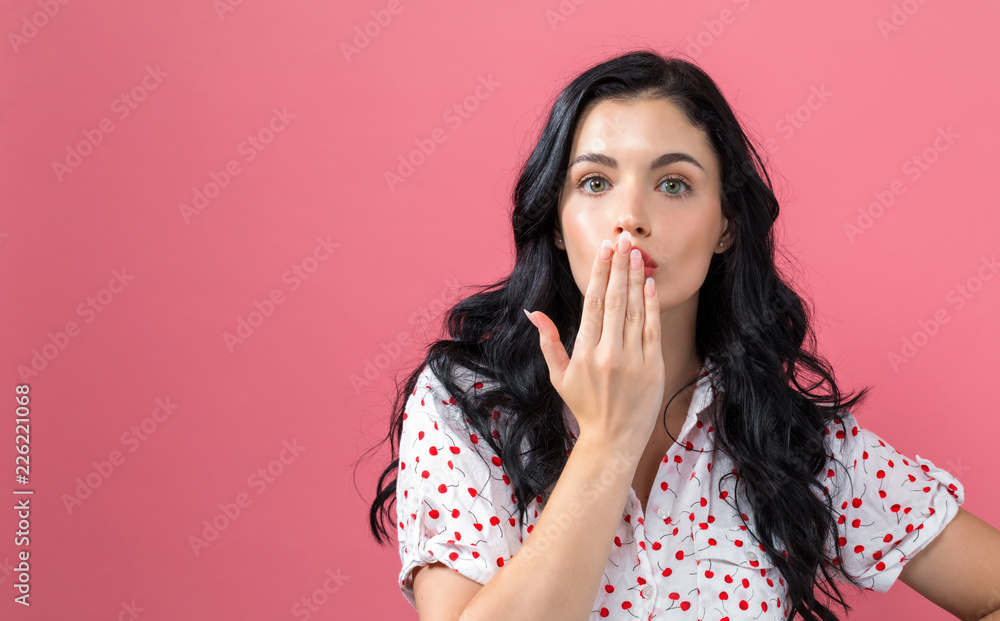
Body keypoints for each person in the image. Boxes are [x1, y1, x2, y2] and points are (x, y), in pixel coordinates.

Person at [363, 49, 1000, 621]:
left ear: (725, 226)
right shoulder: (468, 406)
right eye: (595, 182)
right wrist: (610, 440)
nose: (631, 218)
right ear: (556, 222)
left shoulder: (789, 440)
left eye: (673, 184)